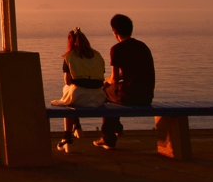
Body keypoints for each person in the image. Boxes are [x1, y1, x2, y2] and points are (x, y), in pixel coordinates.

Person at [96, 13, 155, 150]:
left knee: (104, 93)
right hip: (147, 96)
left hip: (130, 96)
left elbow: (115, 79)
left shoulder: (116, 49)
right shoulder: (142, 46)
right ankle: (116, 128)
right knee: (112, 92)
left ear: (114, 31)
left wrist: (106, 82)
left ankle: (108, 137)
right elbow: (133, 72)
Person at [50, 27, 106, 152]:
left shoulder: (69, 56)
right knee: (71, 95)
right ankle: (77, 126)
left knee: (67, 93)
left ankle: (67, 136)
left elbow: (68, 81)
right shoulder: (97, 55)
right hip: (99, 97)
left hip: (80, 96)